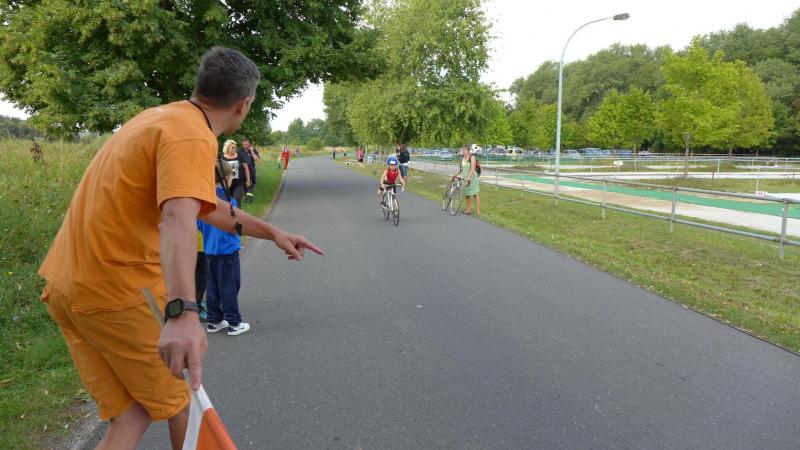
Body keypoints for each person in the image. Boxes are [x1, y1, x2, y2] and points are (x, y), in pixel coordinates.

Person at [38, 47, 323, 450]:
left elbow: (204, 205)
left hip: (69, 286)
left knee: (131, 416)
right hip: (117, 291)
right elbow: (177, 219)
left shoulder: (161, 119)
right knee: (185, 411)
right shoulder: (191, 135)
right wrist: (184, 313)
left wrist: (272, 232)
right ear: (243, 105)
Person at [197, 160, 249, 336]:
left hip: (209, 251)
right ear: (227, 178)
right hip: (227, 251)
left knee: (212, 287)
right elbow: (237, 224)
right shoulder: (228, 201)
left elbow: (198, 224)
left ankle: (215, 320)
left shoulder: (203, 201)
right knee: (230, 286)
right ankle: (234, 322)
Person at [221, 139, 250, 206]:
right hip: (227, 184)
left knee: (236, 202)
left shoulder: (239, 155)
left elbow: (246, 168)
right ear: (227, 148)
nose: (235, 149)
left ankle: (237, 212)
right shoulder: (221, 157)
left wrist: (248, 180)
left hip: (238, 184)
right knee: (228, 203)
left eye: (235, 147)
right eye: (233, 147)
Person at [454, 144, 480, 217]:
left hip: (472, 178)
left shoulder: (472, 157)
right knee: (467, 195)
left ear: (468, 150)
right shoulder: (462, 158)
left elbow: (472, 168)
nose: (463, 151)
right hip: (465, 178)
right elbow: (461, 169)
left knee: (475, 194)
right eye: (462, 150)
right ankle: (468, 210)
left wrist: (469, 177)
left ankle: (478, 211)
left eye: (464, 150)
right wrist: (456, 175)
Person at [240, 137, 261, 204]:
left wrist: (252, 151)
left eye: (246, 144)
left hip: (252, 169)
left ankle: (249, 198)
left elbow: (257, 159)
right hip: (243, 170)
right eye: (244, 144)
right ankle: (247, 196)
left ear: (249, 144)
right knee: (245, 183)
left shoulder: (253, 150)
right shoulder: (239, 151)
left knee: (252, 183)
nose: (245, 145)